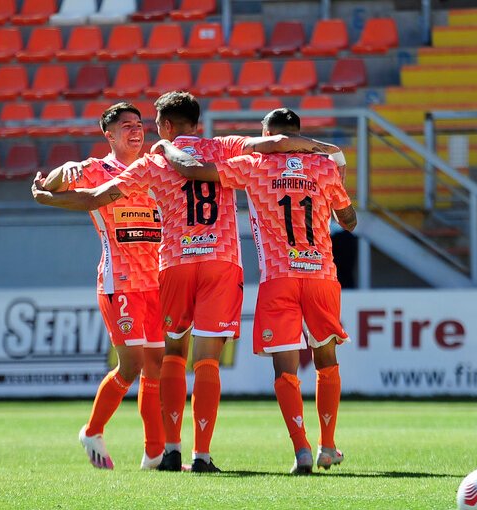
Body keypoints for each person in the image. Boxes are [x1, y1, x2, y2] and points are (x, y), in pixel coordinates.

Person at [32, 92, 341, 474]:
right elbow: (276, 144)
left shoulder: (153, 162)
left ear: (163, 126)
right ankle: (203, 455)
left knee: (172, 355)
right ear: (198, 122)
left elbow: (95, 197)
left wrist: (45, 197)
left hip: (175, 263)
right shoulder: (225, 148)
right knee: (206, 359)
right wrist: (323, 149)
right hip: (221, 263)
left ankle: (170, 449)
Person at [156, 108, 356, 474]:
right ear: (298, 134)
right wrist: (333, 186)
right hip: (321, 276)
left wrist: (166, 148)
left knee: (285, 370)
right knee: (327, 361)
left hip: (278, 278)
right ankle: (328, 445)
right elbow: (350, 221)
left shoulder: (254, 165)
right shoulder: (325, 169)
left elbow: (194, 171)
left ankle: (302, 452)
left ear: (267, 134)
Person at [35, 102, 166, 470]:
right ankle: (92, 431)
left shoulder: (153, 169)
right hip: (119, 281)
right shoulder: (96, 171)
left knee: (155, 364)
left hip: (156, 281)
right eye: (126, 125)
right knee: (132, 364)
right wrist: (64, 170)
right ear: (109, 135)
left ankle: (154, 454)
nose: (135, 130)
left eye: (139, 124)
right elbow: (51, 184)